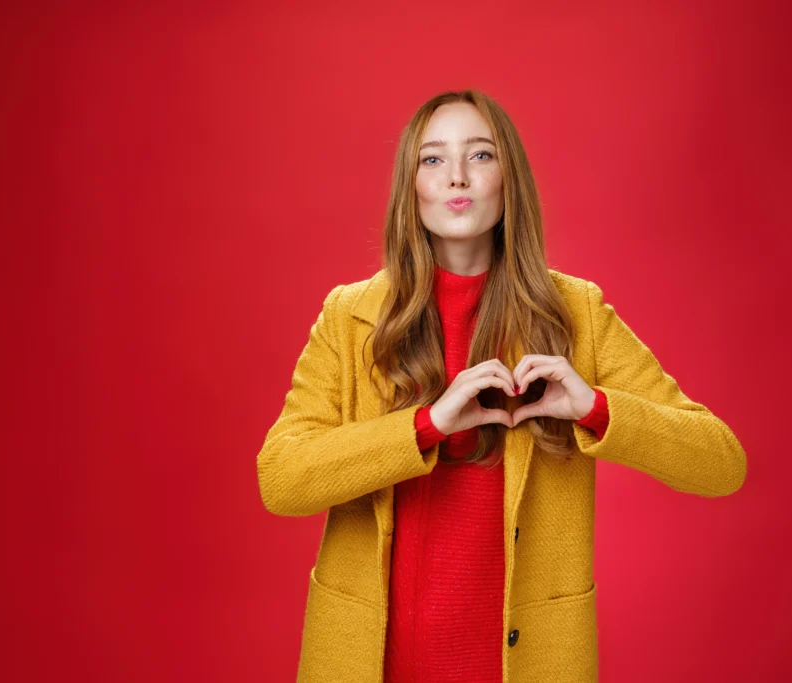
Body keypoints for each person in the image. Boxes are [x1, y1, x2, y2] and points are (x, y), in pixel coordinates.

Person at [256, 89, 747, 683]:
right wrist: (427, 424)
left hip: (527, 663)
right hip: (370, 664)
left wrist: (593, 407)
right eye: (432, 159)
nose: (457, 176)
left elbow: (720, 463)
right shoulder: (351, 316)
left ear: (508, 178)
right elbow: (281, 479)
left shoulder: (577, 314)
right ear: (410, 187)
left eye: (481, 155)